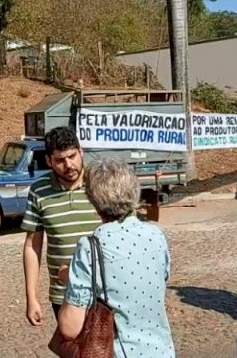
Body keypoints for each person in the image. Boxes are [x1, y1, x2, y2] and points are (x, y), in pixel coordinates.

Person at [57, 158, 175, 357]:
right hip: (161, 350)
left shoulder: (90, 248)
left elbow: (70, 327)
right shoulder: (157, 235)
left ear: (93, 200)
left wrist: (70, 282)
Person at [22, 126, 102, 325]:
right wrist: (31, 298)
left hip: (105, 293)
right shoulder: (39, 191)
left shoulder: (101, 184)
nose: (69, 165)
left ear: (80, 151)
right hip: (64, 297)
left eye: (72, 156)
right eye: (60, 160)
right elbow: (33, 246)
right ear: (49, 161)